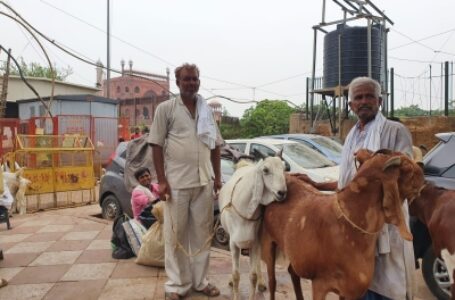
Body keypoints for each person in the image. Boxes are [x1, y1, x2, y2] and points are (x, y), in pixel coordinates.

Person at [148, 63, 223, 300]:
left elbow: (216, 145)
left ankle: (200, 282)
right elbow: (156, 144)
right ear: (178, 83)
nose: (191, 83)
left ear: (199, 82)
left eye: (195, 79)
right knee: (176, 237)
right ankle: (177, 286)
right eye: (187, 79)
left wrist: (218, 178)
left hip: (204, 182)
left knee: (202, 236)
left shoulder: (206, 111)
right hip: (176, 183)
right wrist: (161, 181)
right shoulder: (166, 109)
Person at [339, 77, 415, 300]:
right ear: (351, 105)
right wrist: (314, 184)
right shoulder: (351, 136)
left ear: (379, 101)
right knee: (360, 280)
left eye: (369, 96)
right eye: (358, 97)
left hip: (386, 223)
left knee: (388, 283)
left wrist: (371, 159)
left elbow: (407, 174)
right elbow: (347, 181)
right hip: (355, 226)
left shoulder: (395, 130)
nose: (364, 101)